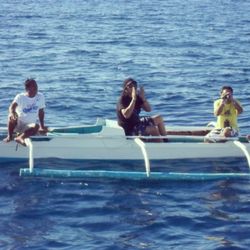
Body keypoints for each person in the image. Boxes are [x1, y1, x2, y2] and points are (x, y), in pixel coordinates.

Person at [116, 78, 167, 142]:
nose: (134, 87)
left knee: (159, 118)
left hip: (138, 123)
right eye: (130, 86)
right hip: (129, 130)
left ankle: (166, 141)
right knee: (153, 129)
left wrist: (143, 98)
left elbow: (148, 109)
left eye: (135, 85)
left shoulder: (137, 98)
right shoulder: (122, 100)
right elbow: (126, 115)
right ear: (125, 89)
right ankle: (161, 147)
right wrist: (133, 99)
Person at [3, 79, 47, 146]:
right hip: (17, 125)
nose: (36, 88)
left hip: (28, 127)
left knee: (36, 126)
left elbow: (41, 112)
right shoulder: (20, 97)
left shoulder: (40, 96)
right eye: (34, 86)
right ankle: (9, 136)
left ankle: (20, 137)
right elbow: (12, 107)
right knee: (11, 117)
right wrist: (12, 112)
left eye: (36, 86)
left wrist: (42, 126)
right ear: (27, 88)